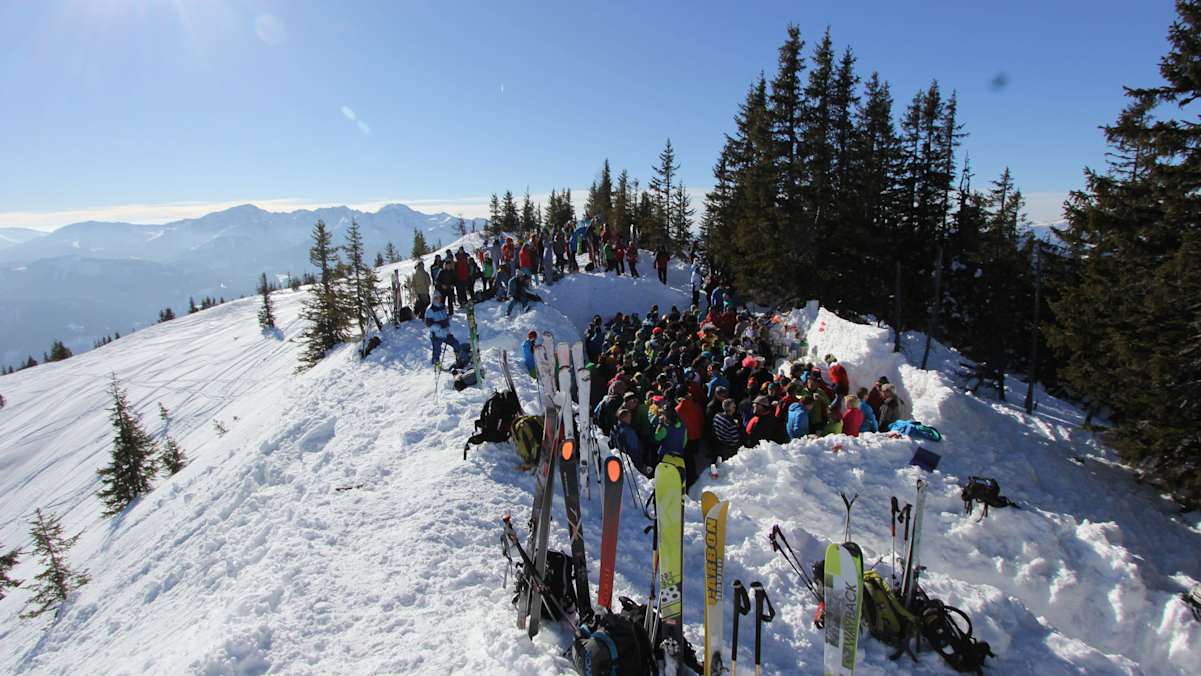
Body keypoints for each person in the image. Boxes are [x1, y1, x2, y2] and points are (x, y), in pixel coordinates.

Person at [425, 292, 461, 367]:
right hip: (436, 335)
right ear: (434, 298)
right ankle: (436, 365)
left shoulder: (442, 306)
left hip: (445, 333)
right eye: (438, 297)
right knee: (437, 351)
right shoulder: (430, 309)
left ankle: (459, 359)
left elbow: (445, 319)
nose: (439, 299)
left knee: (456, 343)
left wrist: (447, 326)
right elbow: (429, 324)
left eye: (440, 297)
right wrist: (439, 326)